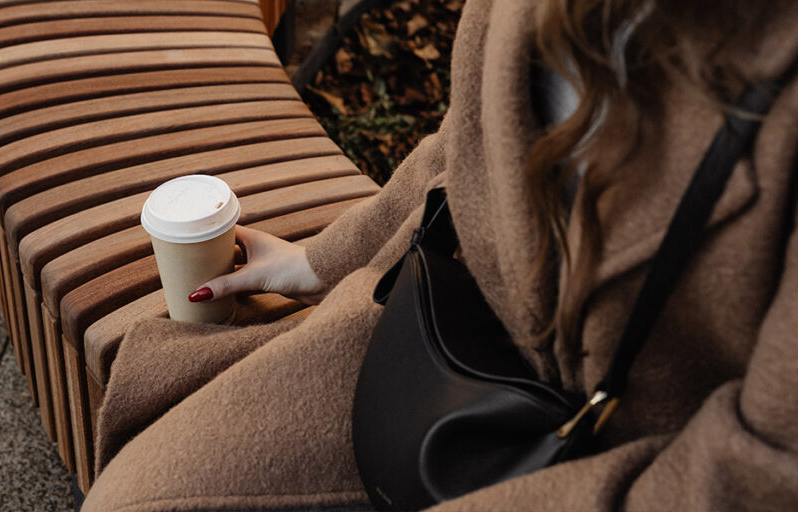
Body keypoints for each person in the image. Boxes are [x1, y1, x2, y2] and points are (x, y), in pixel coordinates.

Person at [83, 0, 798, 510]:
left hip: (627, 457)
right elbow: (470, 140)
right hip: (444, 336)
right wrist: (320, 264)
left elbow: (760, 473)